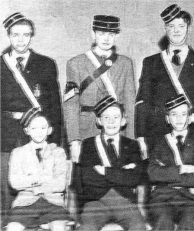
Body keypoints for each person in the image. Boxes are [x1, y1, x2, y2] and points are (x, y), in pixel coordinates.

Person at [1, 12, 63, 221]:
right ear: (8, 36)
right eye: (15, 35)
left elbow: (55, 107)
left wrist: (56, 142)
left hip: (40, 135)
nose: (20, 40)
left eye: (26, 35)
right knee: (8, 186)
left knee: (43, 185)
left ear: (32, 36)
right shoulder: (1, 65)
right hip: (7, 133)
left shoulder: (46, 64)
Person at [135, 4, 194, 155]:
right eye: (171, 26)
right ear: (165, 29)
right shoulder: (151, 62)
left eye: (181, 26)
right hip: (159, 135)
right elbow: (143, 103)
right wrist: (141, 137)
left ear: (188, 28)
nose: (176, 30)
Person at [64, 15, 136, 162]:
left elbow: (130, 104)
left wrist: (131, 139)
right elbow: (71, 105)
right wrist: (74, 140)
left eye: (111, 34)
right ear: (93, 34)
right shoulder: (76, 63)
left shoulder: (125, 63)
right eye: (101, 33)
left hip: (117, 129)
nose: (106, 38)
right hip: (87, 129)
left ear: (117, 36)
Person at [72, 96, 146, 231]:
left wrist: (105, 171)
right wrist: (121, 173)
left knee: (139, 226)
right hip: (96, 201)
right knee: (86, 228)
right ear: (99, 121)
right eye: (106, 118)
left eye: (116, 117)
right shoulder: (88, 144)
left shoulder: (132, 145)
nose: (111, 122)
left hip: (124, 201)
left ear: (123, 121)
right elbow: (87, 178)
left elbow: (135, 178)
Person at [147, 94, 194, 230]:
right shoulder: (159, 142)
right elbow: (152, 173)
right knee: (163, 220)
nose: (179, 119)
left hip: (191, 200)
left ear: (190, 118)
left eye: (183, 114)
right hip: (162, 199)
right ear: (167, 119)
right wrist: (182, 169)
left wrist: (166, 176)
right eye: (174, 114)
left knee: (189, 222)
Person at [7, 110, 69, 231]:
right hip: (25, 202)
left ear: (49, 130)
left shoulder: (58, 152)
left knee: (58, 227)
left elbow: (60, 184)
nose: (39, 132)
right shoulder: (18, 153)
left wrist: (33, 187)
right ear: (27, 131)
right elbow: (15, 183)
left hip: (53, 201)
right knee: (12, 227)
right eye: (33, 128)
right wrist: (43, 179)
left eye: (43, 127)